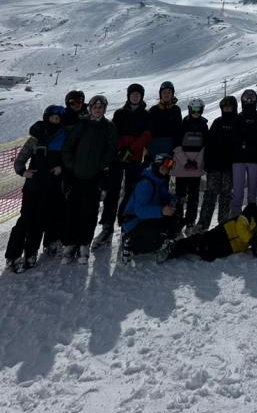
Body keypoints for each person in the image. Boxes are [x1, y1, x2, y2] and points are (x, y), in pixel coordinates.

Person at [5, 105, 69, 272]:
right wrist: (23, 171)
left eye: (58, 119)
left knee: (40, 220)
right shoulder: (35, 138)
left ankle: (31, 253)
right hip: (33, 186)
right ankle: (13, 255)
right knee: (25, 219)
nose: (55, 121)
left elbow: (67, 159)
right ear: (47, 118)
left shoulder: (63, 137)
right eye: (52, 118)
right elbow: (20, 159)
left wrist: (61, 168)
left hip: (52, 186)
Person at [92, 83, 151, 248]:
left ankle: (126, 223)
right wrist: (120, 148)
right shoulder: (119, 113)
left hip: (134, 157)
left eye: (138, 94)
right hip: (117, 157)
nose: (135, 97)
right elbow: (113, 132)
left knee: (131, 191)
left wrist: (131, 149)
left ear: (141, 96)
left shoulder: (145, 115)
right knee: (113, 191)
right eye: (133, 94)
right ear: (128, 96)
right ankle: (107, 227)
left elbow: (146, 135)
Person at [61, 95, 117, 264]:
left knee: (90, 211)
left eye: (100, 108)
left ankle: (84, 244)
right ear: (90, 109)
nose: (97, 110)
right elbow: (68, 146)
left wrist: (101, 165)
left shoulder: (108, 127)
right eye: (95, 107)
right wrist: (71, 165)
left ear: (104, 109)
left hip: (94, 176)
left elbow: (110, 149)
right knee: (72, 210)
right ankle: (70, 244)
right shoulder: (82, 124)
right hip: (76, 175)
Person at [157, 185, 257, 263]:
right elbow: (240, 227)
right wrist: (252, 241)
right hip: (226, 231)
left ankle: (191, 250)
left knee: (208, 254)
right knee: (202, 239)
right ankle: (173, 248)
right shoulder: (251, 209)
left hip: (234, 247)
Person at [121, 154, 179, 262]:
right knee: (160, 237)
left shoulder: (157, 180)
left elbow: (164, 196)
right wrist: (161, 211)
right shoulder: (145, 184)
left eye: (167, 169)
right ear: (156, 166)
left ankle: (160, 241)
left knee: (170, 223)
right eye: (163, 168)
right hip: (134, 222)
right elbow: (140, 211)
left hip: (145, 219)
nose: (165, 172)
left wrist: (175, 199)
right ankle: (131, 243)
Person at [196, 96, 236, 230]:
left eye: (229, 106)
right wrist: (207, 163)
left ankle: (223, 226)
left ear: (234, 107)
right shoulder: (217, 122)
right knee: (210, 195)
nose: (227, 109)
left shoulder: (238, 123)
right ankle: (202, 225)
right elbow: (209, 144)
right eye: (225, 107)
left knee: (226, 196)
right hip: (215, 167)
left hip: (229, 167)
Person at [172, 98, 209, 232]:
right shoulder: (183, 124)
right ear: (189, 109)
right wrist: (185, 162)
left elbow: (205, 146)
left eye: (198, 109)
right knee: (180, 195)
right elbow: (176, 145)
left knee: (193, 196)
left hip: (195, 167)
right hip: (182, 166)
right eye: (194, 109)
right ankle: (177, 221)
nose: (196, 112)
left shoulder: (204, 125)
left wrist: (196, 162)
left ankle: (190, 222)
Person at [230, 89, 257, 216]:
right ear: (242, 100)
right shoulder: (238, 117)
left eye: (252, 98)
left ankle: (252, 216)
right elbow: (233, 137)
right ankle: (235, 217)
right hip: (238, 159)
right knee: (237, 191)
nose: (249, 100)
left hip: (254, 159)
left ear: (256, 100)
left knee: (253, 192)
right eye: (246, 98)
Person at [147, 81, 182, 158]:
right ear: (160, 94)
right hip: (155, 146)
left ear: (172, 94)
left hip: (171, 145)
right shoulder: (153, 110)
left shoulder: (176, 109)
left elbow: (179, 129)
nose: (166, 94)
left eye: (169, 92)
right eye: (164, 92)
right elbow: (148, 129)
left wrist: (177, 148)